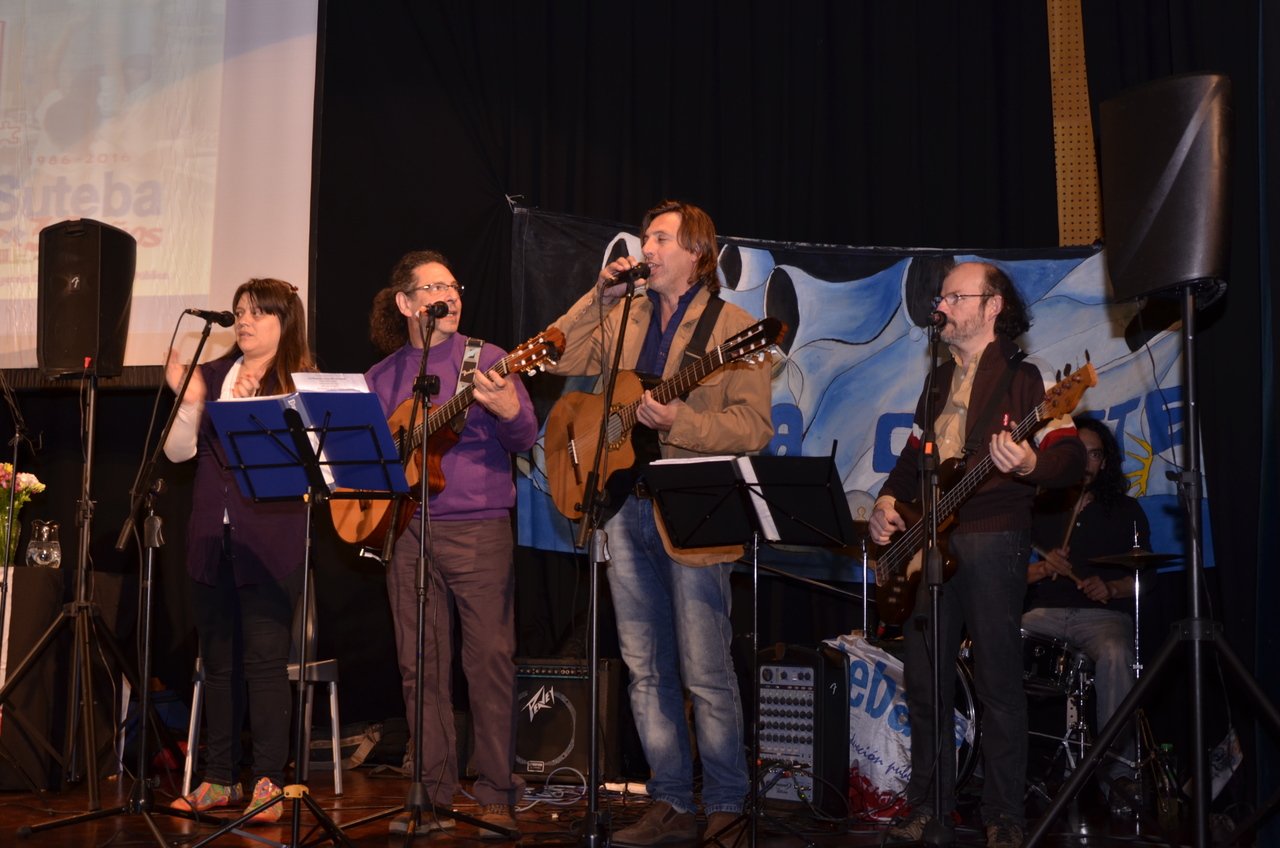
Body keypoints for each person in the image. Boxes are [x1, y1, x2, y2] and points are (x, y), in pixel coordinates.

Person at [545, 201, 774, 847]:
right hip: (622, 506)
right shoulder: (627, 314)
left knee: (705, 668)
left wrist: (682, 422)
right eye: (646, 237)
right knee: (645, 668)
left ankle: (726, 801)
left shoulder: (735, 327)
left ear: (697, 253)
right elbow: (559, 357)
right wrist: (598, 295)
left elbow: (754, 427)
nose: (646, 248)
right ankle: (670, 801)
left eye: (661, 238)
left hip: (694, 508)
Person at [869, 261, 1085, 848]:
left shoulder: (1029, 379)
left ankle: (1004, 815)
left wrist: (1032, 463)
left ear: (992, 306)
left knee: (997, 684)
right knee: (926, 684)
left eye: (954, 297)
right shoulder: (937, 381)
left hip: (994, 538)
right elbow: (913, 461)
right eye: (940, 298)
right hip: (929, 547)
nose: (940, 306)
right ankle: (928, 808)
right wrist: (886, 502)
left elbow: (1069, 456)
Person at [365, 250, 537, 838]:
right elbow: (366, 457)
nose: (449, 294)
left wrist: (510, 410)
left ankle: (497, 794)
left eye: (453, 285)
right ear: (406, 303)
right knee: (420, 667)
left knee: (488, 662)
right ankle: (432, 795)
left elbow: (524, 436)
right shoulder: (383, 375)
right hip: (406, 530)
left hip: (478, 528)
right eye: (434, 287)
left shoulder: (486, 359)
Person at [164, 278, 313, 824]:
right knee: (219, 664)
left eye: (257, 312)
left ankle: (268, 780)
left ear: (284, 322)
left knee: (266, 663)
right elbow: (177, 453)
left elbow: (313, 463)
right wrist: (190, 405)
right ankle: (219, 778)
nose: (244, 321)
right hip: (211, 535)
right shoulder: (210, 375)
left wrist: (255, 412)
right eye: (239, 311)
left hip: (270, 540)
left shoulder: (299, 383)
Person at [1023, 415, 1150, 811]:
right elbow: (1006, 576)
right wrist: (1042, 568)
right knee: (999, 641)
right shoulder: (1039, 509)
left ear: (1105, 462)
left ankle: (1120, 775)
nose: (1087, 463)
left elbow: (1145, 578)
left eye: (1094, 455)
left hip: (1103, 618)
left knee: (1116, 653)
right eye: (1078, 454)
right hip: (1045, 613)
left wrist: (1111, 588)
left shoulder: (1127, 511)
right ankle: (990, 769)